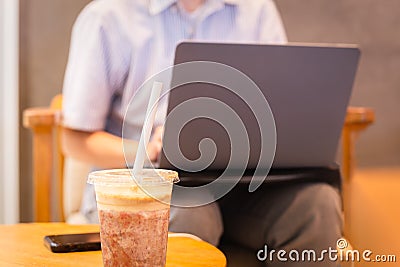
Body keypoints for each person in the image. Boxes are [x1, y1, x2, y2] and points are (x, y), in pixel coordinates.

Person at [62, 0, 342, 266]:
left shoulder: (257, 10)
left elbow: (280, 106)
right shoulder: (108, 17)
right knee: (192, 215)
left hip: (248, 187)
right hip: (153, 190)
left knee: (317, 206)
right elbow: (75, 140)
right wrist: (150, 150)